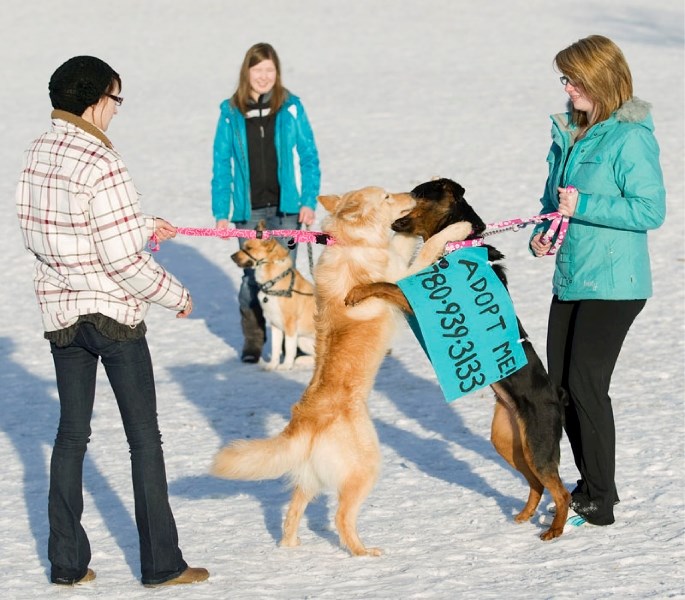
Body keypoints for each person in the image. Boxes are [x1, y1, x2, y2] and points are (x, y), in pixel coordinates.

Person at [16, 55, 209, 587]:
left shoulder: (38, 151)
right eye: (115, 99)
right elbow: (123, 260)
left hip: (62, 316)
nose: (117, 111)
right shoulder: (103, 162)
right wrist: (176, 295)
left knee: (70, 435)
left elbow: (52, 228)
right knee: (144, 438)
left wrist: (143, 223)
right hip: (114, 318)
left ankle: (66, 564)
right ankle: (162, 564)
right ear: (95, 98)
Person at [530, 35, 666, 527]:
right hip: (573, 275)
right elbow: (554, 201)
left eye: (574, 79)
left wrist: (584, 206)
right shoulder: (570, 132)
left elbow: (651, 210)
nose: (567, 89)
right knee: (559, 387)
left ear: (601, 78)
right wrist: (545, 235)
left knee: (586, 384)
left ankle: (600, 498)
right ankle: (587, 484)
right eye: (563, 79)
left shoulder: (630, 137)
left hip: (616, 282)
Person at [211, 42, 321, 363]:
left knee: (285, 272)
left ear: (277, 72)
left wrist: (308, 201)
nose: (263, 77)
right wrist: (222, 212)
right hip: (248, 211)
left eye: (269, 71)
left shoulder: (290, 107)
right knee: (250, 275)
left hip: (287, 209)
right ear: (247, 71)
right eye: (258, 70)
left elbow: (309, 156)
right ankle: (254, 339)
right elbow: (222, 164)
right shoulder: (231, 112)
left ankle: (296, 337)